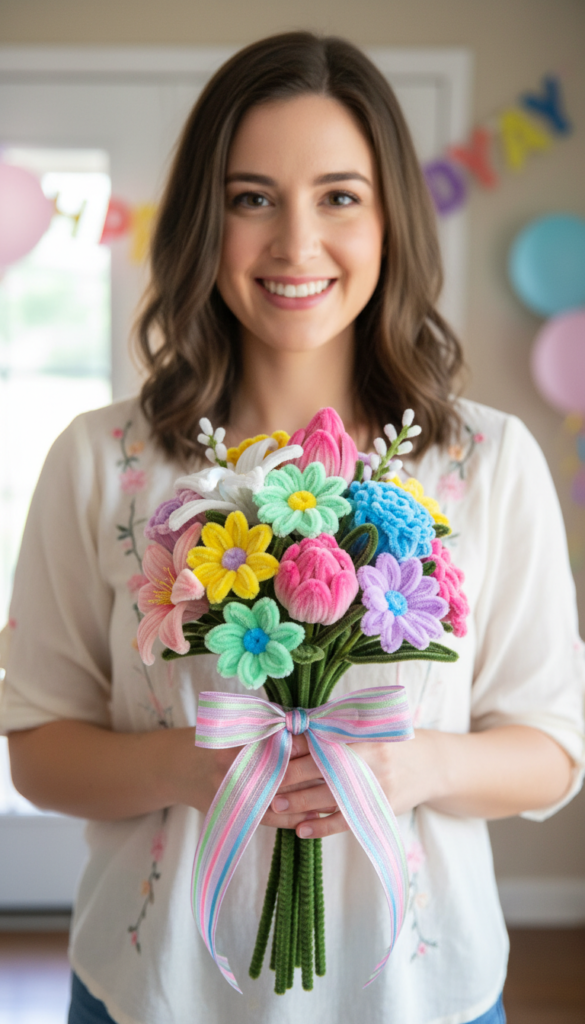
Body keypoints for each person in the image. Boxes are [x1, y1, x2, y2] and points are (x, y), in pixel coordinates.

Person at [1, 32, 583, 1024]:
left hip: (421, 997)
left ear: (392, 217)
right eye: (252, 197)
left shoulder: (488, 461)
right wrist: (182, 768)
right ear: (203, 220)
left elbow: (554, 749)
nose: (295, 244)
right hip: (155, 992)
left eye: (339, 196)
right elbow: (35, 745)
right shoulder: (102, 460)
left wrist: (414, 767)